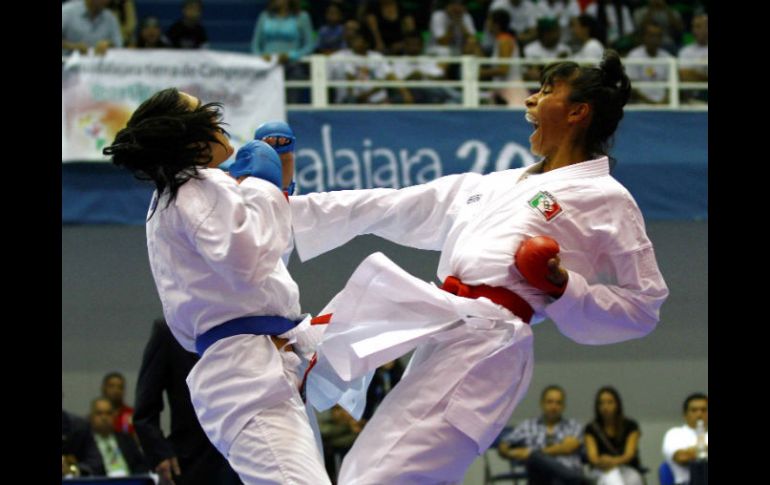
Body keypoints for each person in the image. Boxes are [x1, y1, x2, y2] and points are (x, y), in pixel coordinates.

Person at [290, 49, 669, 483]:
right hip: (446, 329)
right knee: (365, 468)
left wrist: (566, 289)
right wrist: (281, 212)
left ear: (578, 112)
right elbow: (386, 204)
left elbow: (644, 306)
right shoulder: (496, 185)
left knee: (380, 477)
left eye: (546, 92)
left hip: (490, 346)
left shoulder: (606, 198)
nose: (530, 100)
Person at [102, 88, 329, 484]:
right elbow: (248, 261)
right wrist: (262, 185)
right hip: (247, 373)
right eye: (209, 118)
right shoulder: (194, 185)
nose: (220, 125)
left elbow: (265, 268)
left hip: (261, 362)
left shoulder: (182, 193)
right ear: (191, 138)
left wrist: (281, 187)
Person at [133, 318, 242, 485]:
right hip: (191, 460)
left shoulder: (247, 324)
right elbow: (145, 410)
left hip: (245, 455)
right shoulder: (169, 331)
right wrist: (159, 453)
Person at [499, 385, 590, 485]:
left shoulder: (573, 426)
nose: (554, 407)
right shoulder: (528, 426)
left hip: (567, 478)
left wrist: (532, 454)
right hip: (540, 479)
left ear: (564, 406)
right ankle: (582, 481)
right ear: (542, 403)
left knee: (539, 462)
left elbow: (568, 448)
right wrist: (510, 452)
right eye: (550, 402)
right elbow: (504, 445)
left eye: (558, 403)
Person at [584, 386, 645, 485]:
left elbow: (629, 454)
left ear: (617, 404)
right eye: (601, 403)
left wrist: (613, 461)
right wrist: (604, 463)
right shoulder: (591, 428)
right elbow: (593, 457)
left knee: (635, 480)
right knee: (611, 476)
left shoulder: (630, 425)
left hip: (626, 467)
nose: (605, 407)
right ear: (597, 406)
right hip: (600, 469)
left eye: (609, 402)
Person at [89, 397, 149, 477]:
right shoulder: (85, 442)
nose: (104, 418)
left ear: (114, 416)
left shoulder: (126, 439)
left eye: (108, 413)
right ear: (91, 417)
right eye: (99, 413)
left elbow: (140, 465)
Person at [662, 393, 708, 485]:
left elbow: (690, 455)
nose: (699, 414)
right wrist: (701, 451)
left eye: (704, 410)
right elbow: (681, 457)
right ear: (685, 414)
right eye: (694, 410)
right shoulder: (675, 434)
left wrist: (691, 451)